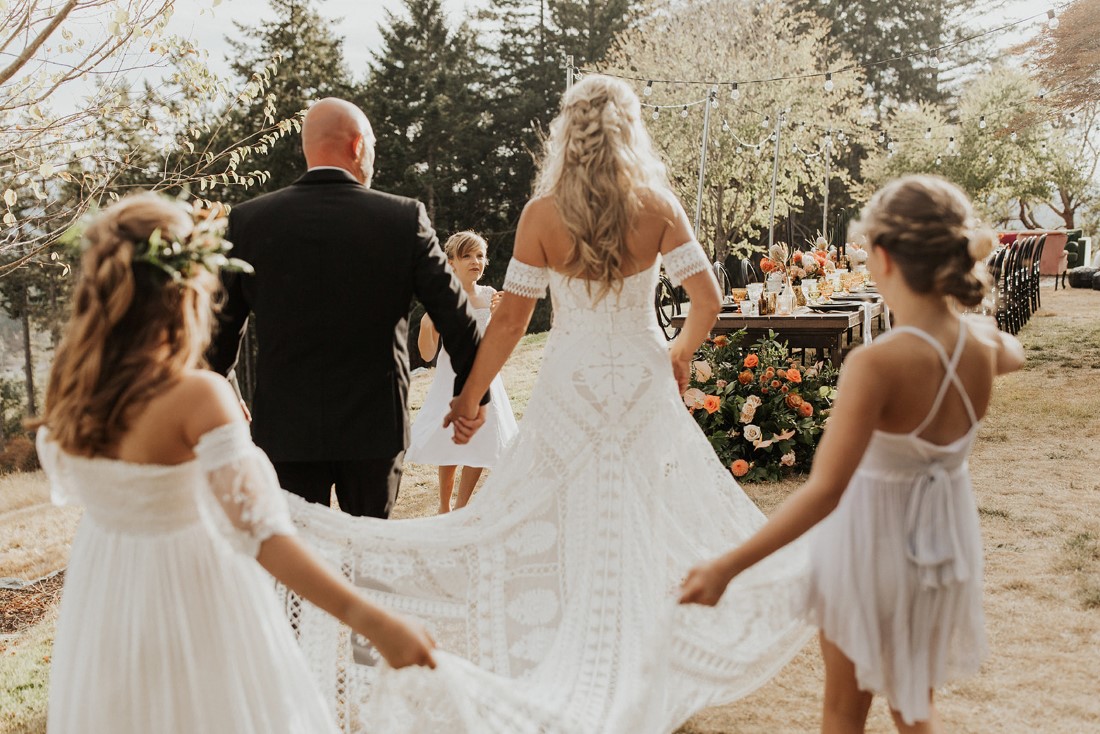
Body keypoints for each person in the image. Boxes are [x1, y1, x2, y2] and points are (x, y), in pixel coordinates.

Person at [282, 74, 812, 733]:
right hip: (641, 380)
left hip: (572, 384)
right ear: (629, 130)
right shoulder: (657, 204)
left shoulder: (541, 214)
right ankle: (641, 660)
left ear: (568, 132)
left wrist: (468, 396)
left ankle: (581, 645)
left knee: (569, 512)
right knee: (640, 508)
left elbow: (508, 324)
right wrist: (678, 353)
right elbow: (708, 302)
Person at [34, 193, 437, 734]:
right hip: (194, 596)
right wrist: (374, 620)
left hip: (106, 596)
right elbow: (265, 536)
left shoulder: (71, 389)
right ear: (190, 285)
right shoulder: (196, 394)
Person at [681, 175, 1026, 733]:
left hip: (873, 548)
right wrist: (974, 325)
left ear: (884, 257)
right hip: (941, 548)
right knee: (914, 706)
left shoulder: (878, 363)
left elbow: (824, 491)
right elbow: (1016, 349)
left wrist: (728, 565)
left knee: (844, 713)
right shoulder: (985, 346)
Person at [206, 97, 485, 519]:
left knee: (297, 564)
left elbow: (219, 329)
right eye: (372, 146)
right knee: (369, 558)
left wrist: (226, 386)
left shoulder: (250, 221)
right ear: (357, 146)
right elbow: (457, 317)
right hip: (374, 429)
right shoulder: (403, 219)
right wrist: (472, 397)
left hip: (285, 431)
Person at [407, 231, 519, 513]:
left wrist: (502, 314)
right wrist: (428, 323)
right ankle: (444, 507)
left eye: (480, 256)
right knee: (450, 440)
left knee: (484, 438)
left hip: (486, 379)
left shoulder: (491, 296)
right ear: (451, 262)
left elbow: (497, 343)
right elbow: (427, 354)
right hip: (451, 377)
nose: (475, 261)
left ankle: (462, 508)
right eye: (466, 255)